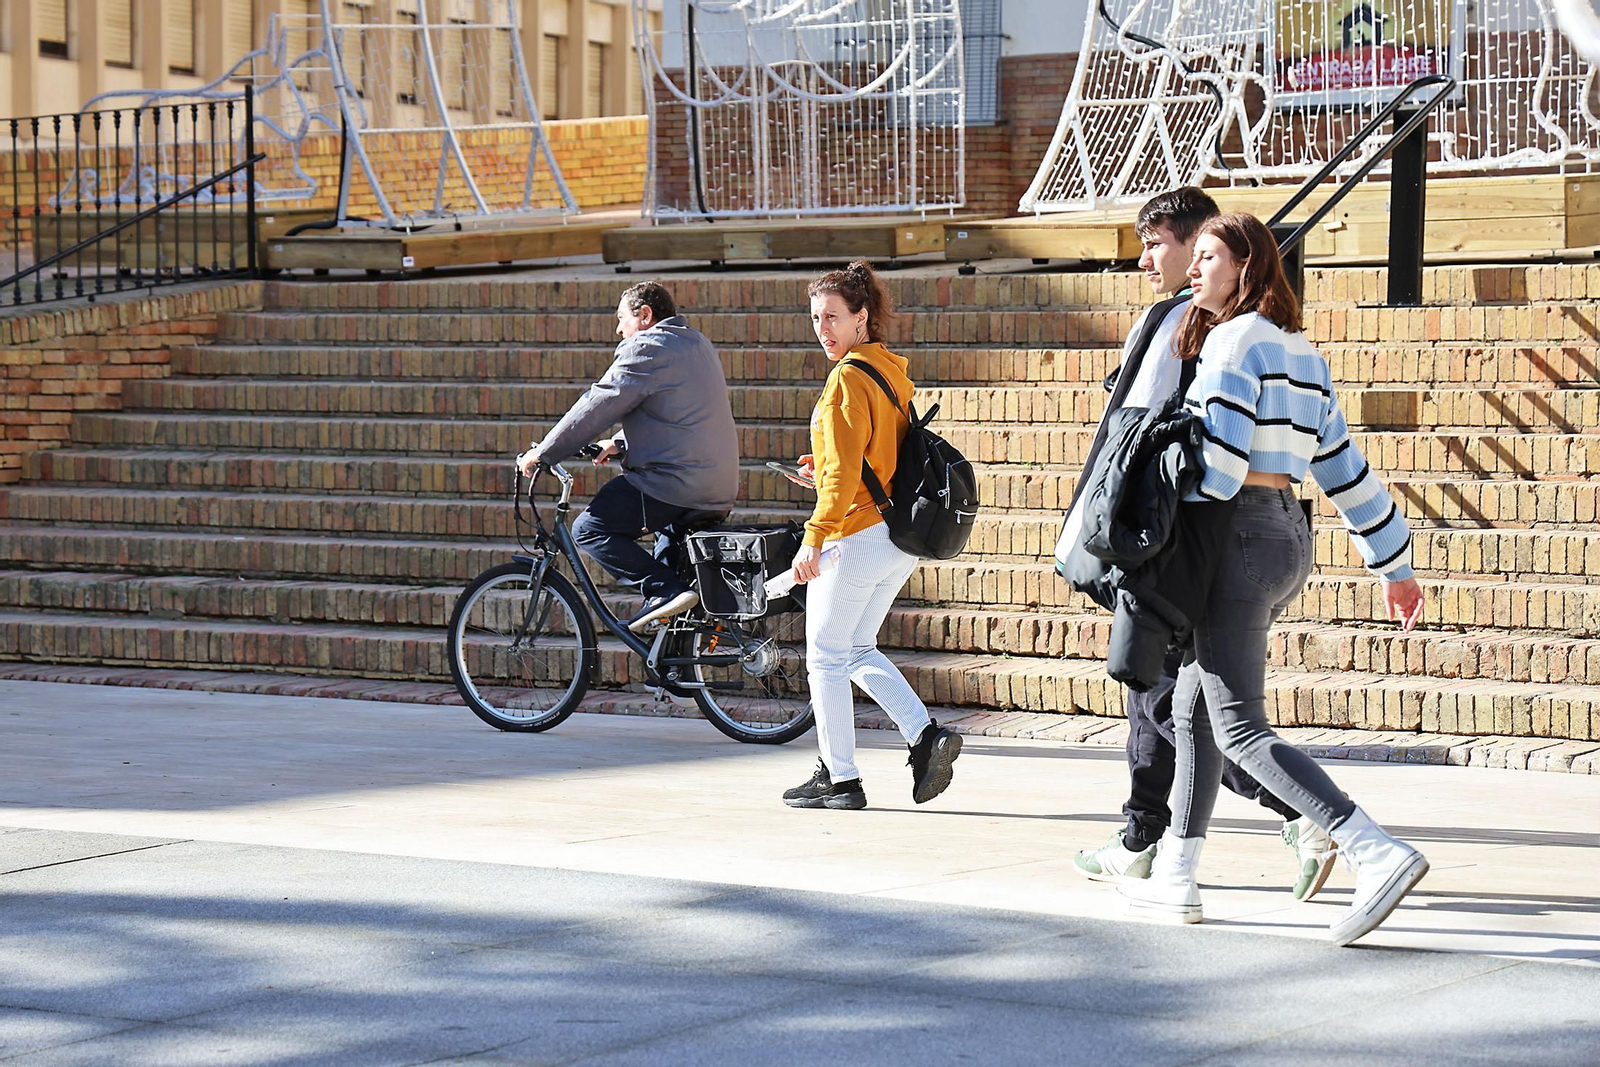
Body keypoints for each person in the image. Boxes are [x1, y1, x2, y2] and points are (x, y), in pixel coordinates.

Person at [1118, 213, 1429, 947]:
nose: (1194, 271)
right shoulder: (1301, 349)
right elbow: (1344, 468)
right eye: (1191, 259)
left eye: (1209, 258)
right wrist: (1395, 566)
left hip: (1234, 539)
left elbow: (1219, 473)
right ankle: (1177, 877)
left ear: (1246, 265)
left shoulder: (1230, 341)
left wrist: (1163, 484)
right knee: (1192, 703)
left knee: (1240, 725)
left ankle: (1371, 848)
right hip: (1288, 533)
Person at [1063, 188, 1337, 902]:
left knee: (1181, 699)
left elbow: (1152, 435)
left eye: (1162, 243)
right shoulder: (1194, 325)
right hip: (1191, 534)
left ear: (1204, 248)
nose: (1150, 258)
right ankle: (1152, 838)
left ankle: (1280, 816)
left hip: (1187, 539)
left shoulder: (1214, 330)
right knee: (1175, 697)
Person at [780, 260, 962, 811]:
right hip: (895, 536)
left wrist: (813, 538)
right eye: (816, 318)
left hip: (854, 534)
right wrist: (831, 470)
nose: (823, 329)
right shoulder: (887, 370)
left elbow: (840, 476)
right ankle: (926, 737)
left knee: (824, 659)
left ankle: (840, 779)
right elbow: (870, 457)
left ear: (862, 318)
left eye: (833, 317)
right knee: (855, 648)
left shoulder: (845, 379)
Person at [517, 282, 739, 633]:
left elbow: (599, 403)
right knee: (676, 593)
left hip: (674, 484)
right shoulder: (697, 344)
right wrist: (620, 443)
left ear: (646, 315)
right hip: (718, 486)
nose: (619, 330)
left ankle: (663, 590)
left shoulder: (647, 346)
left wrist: (544, 452)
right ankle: (673, 667)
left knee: (590, 529)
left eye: (622, 319)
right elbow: (682, 410)